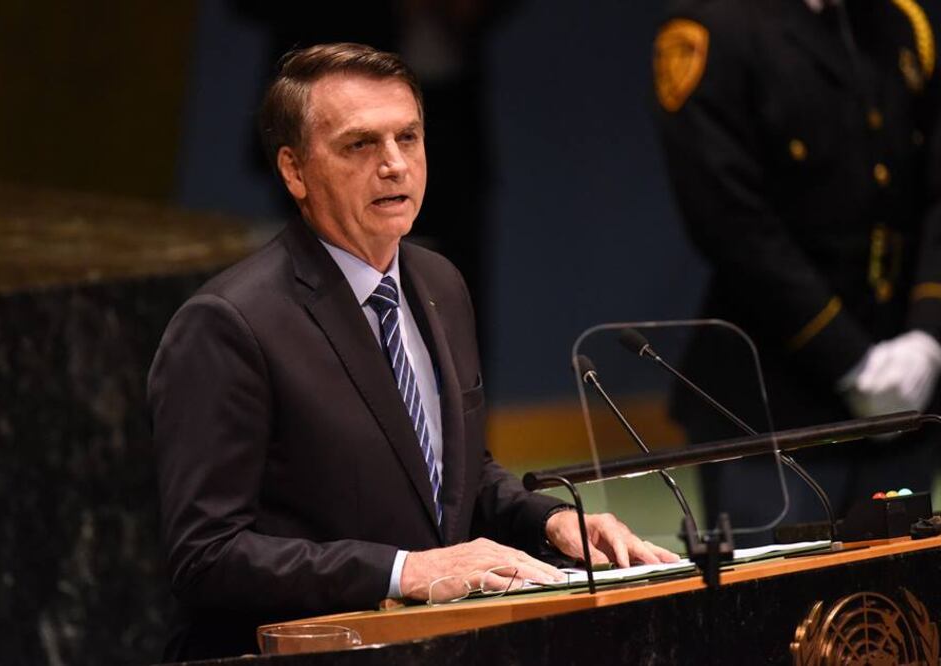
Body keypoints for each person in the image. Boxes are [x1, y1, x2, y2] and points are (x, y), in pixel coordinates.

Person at [149, 42, 677, 660]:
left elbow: (453, 475)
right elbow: (206, 555)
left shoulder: (439, 284)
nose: (395, 164)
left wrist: (549, 521)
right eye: (360, 145)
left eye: (409, 137)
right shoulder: (230, 324)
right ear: (294, 170)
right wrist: (406, 572)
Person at [652, 0, 941, 538]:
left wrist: (929, 337)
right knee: (778, 615)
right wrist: (850, 360)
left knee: (898, 613)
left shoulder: (898, 24)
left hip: (904, 397)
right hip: (772, 410)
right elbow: (731, 223)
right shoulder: (712, 29)